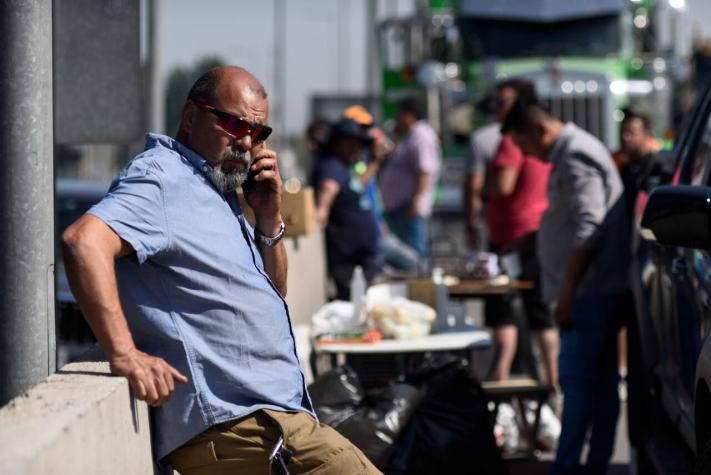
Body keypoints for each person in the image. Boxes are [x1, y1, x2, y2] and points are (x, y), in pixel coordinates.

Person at [62, 66, 380, 475]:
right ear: (191, 117)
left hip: (268, 421)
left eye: (258, 133)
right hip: (240, 427)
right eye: (234, 124)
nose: (246, 142)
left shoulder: (220, 189)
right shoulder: (162, 176)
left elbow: (275, 291)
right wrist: (124, 354)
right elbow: (83, 242)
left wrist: (268, 218)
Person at [502, 100, 629, 475]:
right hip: (595, 291)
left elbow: (590, 226)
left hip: (588, 294)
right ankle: (594, 465)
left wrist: (568, 293)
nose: (530, 157)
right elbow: (572, 218)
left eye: (526, 147)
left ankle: (569, 466)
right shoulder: (575, 151)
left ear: (539, 130)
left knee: (578, 387)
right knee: (601, 386)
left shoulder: (575, 156)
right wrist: (532, 240)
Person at [481, 80, 558, 391]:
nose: (496, 109)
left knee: (504, 309)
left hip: (514, 239)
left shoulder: (510, 140)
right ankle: (552, 382)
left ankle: (501, 376)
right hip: (529, 236)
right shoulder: (527, 138)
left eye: (502, 103)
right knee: (536, 310)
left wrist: (483, 188)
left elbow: (502, 186)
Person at [342, 105, 419, 275]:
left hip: (377, 228)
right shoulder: (350, 159)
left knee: (411, 263)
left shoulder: (365, 155)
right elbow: (355, 187)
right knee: (411, 263)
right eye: (362, 128)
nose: (367, 133)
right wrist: (375, 161)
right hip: (365, 235)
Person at [314, 118, 381, 300]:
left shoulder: (343, 166)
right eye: (352, 142)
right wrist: (322, 210)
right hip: (347, 256)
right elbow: (328, 189)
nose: (357, 147)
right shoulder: (331, 165)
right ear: (338, 142)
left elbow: (356, 185)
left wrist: (375, 162)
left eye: (359, 143)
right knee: (352, 303)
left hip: (361, 255)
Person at [379, 97, 441, 259]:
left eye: (398, 115)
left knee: (414, 255)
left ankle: (420, 285)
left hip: (409, 207)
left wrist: (417, 201)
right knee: (406, 253)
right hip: (400, 207)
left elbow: (425, 171)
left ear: (407, 115)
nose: (396, 119)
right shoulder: (411, 135)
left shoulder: (421, 136)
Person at [464, 82, 518, 250]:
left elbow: (476, 186)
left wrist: (471, 224)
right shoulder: (531, 137)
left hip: (503, 229)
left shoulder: (488, 139)